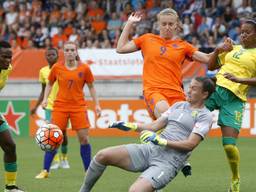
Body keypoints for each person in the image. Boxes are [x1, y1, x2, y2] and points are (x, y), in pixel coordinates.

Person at [116, 8, 211, 176]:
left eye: (171, 24)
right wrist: (129, 24)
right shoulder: (147, 39)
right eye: (164, 24)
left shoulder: (183, 46)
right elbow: (121, 48)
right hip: (153, 90)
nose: (167, 27)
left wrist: (223, 51)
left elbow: (208, 60)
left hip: (178, 94)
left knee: (183, 128)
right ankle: (173, 159)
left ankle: (171, 161)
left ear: (177, 26)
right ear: (158, 25)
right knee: (164, 112)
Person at [79, 77, 215, 192]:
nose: (189, 91)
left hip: (168, 163)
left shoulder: (206, 116)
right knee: (103, 155)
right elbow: (154, 126)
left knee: (135, 191)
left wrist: (163, 142)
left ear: (204, 94)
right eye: (189, 87)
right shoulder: (178, 106)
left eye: (194, 89)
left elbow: (190, 144)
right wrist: (130, 125)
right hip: (150, 150)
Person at [206, 18, 256, 192]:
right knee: (187, 121)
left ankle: (235, 178)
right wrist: (218, 49)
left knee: (228, 145)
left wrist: (240, 79)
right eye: (241, 31)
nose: (243, 35)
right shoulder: (232, 48)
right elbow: (211, 65)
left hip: (235, 100)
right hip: (215, 91)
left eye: (247, 32)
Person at [42, 41, 101, 174]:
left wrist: (97, 105)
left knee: (84, 139)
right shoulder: (57, 67)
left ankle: (88, 171)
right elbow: (49, 84)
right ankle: (45, 170)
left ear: (76, 52)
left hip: (78, 107)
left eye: (72, 50)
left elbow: (91, 87)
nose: (69, 53)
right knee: (53, 138)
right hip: (60, 107)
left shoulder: (84, 68)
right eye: (67, 50)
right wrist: (45, 99)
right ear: (63, 52)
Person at [31, 48, 71, 179]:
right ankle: (57, 160)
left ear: (57, 56)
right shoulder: (43, 71)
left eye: (52, 54)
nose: (50, 57)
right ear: (45, 57)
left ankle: (64, 159)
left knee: (63, 134)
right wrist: (37, 105)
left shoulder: (63, 68)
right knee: (52, 133)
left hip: (63, 106)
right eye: (48, 55)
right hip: (49, 107)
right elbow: (43, 90)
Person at [0, 41, 24, 191]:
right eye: (4, 57)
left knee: (10, 145)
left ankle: (11, 187)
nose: (8, 61)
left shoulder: (7, 69)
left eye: (10, 57)